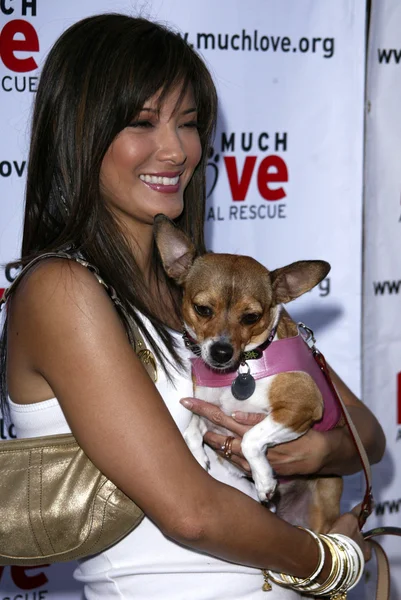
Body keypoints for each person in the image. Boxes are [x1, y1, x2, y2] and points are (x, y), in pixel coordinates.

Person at [0, 13, 384, 600]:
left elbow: (366, 435)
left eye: (188, 123)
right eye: (141, 123)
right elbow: (190, 513)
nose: (176, 150)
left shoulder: (213, 289)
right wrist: (330, 562)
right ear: (79, 133)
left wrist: (309, 452)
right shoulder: (65, 289)